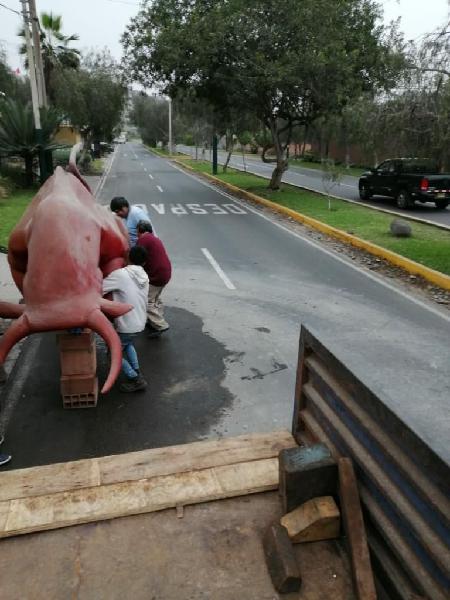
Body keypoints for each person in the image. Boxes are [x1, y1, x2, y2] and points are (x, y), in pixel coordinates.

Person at [102, 246, 150, 392]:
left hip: (127, 324)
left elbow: (99, 288)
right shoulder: (144, 276)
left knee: (112, 353)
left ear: (128, 258)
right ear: (144, 262)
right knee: (127, 344)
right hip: (140, 322)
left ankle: (135, 378)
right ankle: (136, 369)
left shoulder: (121, 275)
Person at [136, 220, 172, 338]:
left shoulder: (143, 240)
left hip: (156, 275)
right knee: (155, 298)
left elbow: (136, 257)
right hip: (165, 273)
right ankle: (155, 320)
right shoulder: (154, 238)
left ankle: (160, 325)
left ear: (139, 231)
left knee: (146, 301)